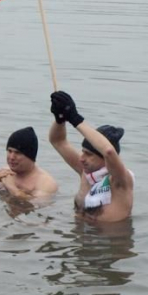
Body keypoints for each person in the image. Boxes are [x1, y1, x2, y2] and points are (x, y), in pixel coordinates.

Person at [48, 90, 133, 222]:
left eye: (89, 154)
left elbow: (109, 151)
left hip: (110, 239)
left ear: (105, 160)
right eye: (83, 152)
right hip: (81, 238)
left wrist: (75, 118)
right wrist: (60, 119)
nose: (81, 158)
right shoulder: (85, 172)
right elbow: (58, 141)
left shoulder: (120, 181)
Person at [0, 127, 58, 201]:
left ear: (30, 156)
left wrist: (12, 188)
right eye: (9, 151)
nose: (12, 157)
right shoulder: (5, 171)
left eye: (17, 153)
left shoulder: (45, 182)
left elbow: (36, 205)